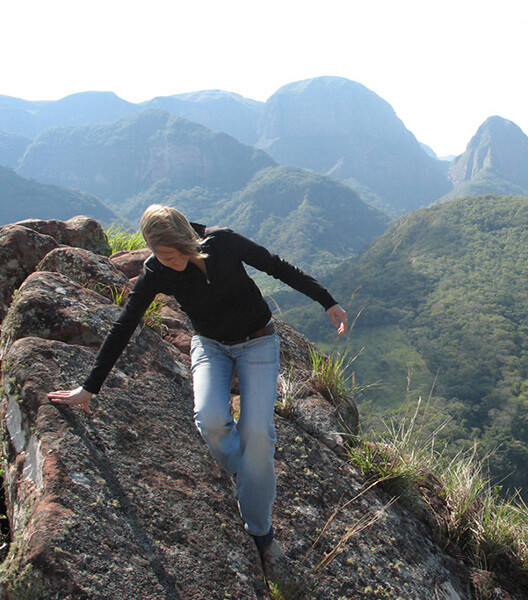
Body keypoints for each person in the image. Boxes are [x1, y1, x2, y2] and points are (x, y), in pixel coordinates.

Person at [47, 204, 347, 581]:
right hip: (210, 347)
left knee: (257, 431)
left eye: (173, 254)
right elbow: (124, 324)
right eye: (160, 255)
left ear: (189, 242)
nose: (168, 262)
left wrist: (327, 300)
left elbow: (278, 266)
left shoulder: (222, 243)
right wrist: (89, 387)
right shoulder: (156, 271)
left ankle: (261, 532)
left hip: (258, 343)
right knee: (210, 419)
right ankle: (248, 472)